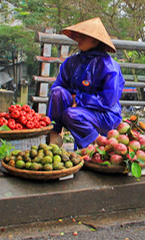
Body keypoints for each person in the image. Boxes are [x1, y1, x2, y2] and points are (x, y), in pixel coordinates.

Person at [46, 17, 125, 149]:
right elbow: (59, 86)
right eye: (78, 36)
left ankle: (97, 143)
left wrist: (79, 100)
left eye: (84, 36)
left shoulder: (109, 67)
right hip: (77, 109)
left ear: (96, 40)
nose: (79, 39)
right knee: (56, 93)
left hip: (104, 114)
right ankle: (54, 134)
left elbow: (108, 100)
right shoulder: (71, 62)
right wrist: (75, 100)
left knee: (71, 114)